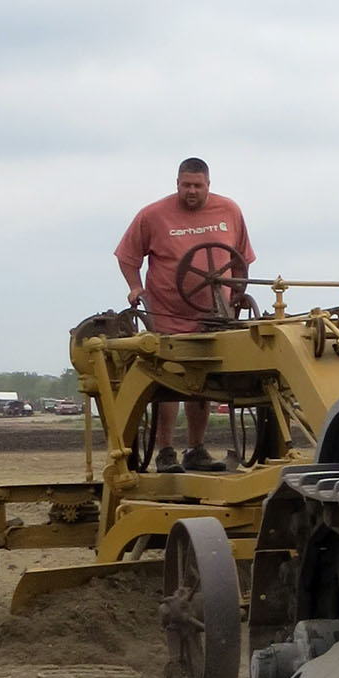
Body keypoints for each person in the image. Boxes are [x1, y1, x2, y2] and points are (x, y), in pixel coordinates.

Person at [114, 157, 255, 471]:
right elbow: (126, 256)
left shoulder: (229, 211)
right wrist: (136, 287)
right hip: (166, 314)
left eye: (198, 186)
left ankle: (195, 449)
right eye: (186, 185)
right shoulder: (153, 215)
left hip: (213, 316)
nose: (191, 191)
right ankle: (165, 451)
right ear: (177, 183)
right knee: (168, 383)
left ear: (208, 184)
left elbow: (242, 259)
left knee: (202, 383)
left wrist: (238, 293)